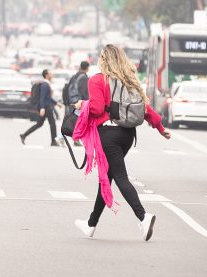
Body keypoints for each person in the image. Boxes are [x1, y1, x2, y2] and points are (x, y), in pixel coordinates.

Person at [73, 44, 170, 242]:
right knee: (107, 178)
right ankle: (91, 224)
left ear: (104, 59)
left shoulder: (98, 80)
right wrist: (160, 128)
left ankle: (143, 217)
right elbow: (145, 108)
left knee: (120, 176)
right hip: (127, 135)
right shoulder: (129, 80)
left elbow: (98, 109)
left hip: (109, 134)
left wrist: (82, 104)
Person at [20, 69, 59, 147]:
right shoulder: (45, 85)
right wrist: (42, 108)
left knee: (39, 124)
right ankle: (53, 141)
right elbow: (42, 97)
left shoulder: (46, 84)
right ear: (47, 75)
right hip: (46, 107)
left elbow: (48, 97)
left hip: (46, 106)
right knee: (52, 124)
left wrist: (57, 103)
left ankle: (24, 135)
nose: (52, 75)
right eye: (50, 73)